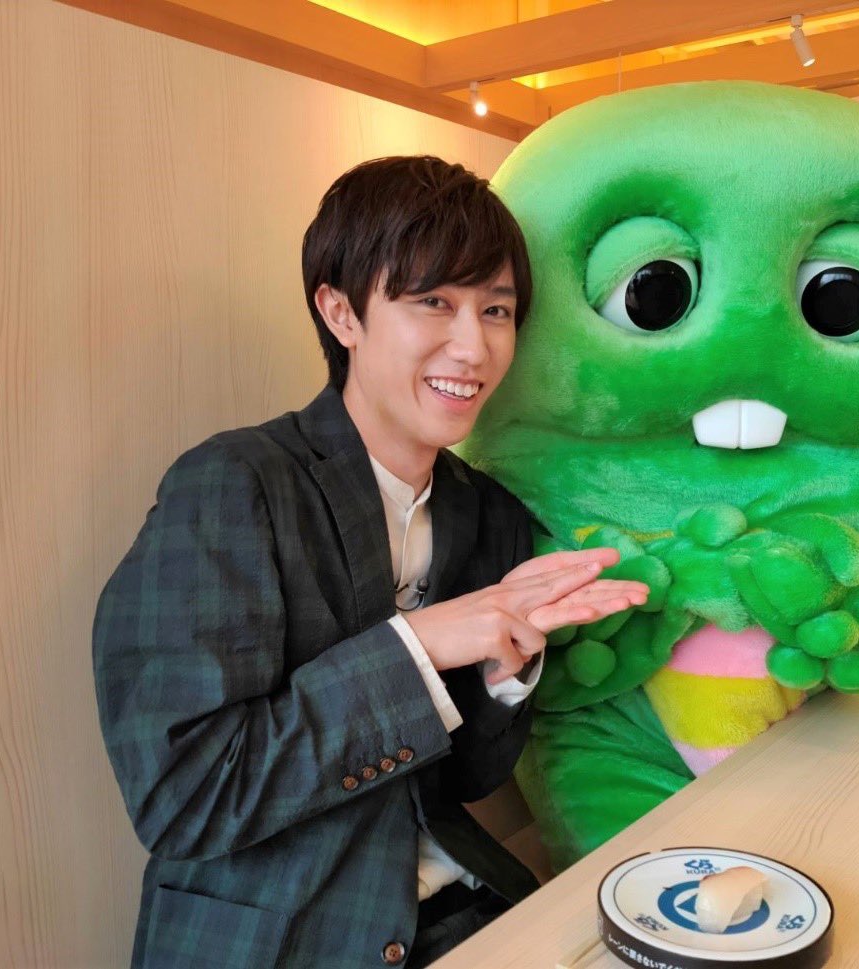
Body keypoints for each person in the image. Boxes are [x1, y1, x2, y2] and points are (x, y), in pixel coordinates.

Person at [92, 155, 647, 969]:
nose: (475, 346)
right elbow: (186, 795)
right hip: (273, 939)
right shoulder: (235, 484)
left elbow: (467, 778)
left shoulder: (490, 512)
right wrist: (421, 645)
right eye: (434, 302)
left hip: (462, 906)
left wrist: (507, 670)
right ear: (341, 311)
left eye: (496, 309)